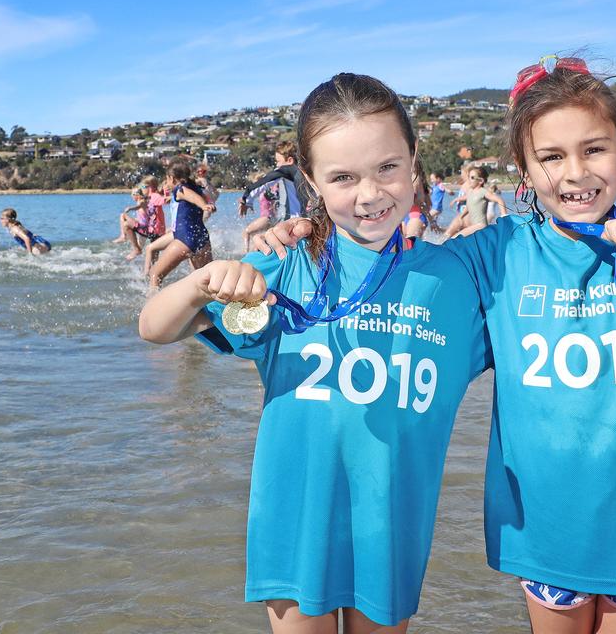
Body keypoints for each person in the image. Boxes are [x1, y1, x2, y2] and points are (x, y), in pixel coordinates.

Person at [254, 55, 616, 634]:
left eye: (595, 149)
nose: (576, 173)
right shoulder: (499, 252)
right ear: (524, 166)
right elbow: (406, 274)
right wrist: (305, 240)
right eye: (552, 157)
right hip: (546, 525)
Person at [139, 72, 489, 633]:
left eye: (388, 168)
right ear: (311, 180)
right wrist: (203, 282)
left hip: (390, 527)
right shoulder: (287, 266)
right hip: (295, 522)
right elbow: (155, 328)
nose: (370, 194)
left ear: (415, 158)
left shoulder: (458, 281)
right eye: (343, 177)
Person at [148, 161, 216, 288]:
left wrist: (204, 206)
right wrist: (209, 204)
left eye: (167, 179)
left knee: (155, 274)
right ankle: (212, 306)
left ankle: (151, 304)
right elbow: (203, 197)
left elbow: (193, 198)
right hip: (202, 238)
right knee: (205, 280)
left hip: (185, 239)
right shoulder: (196, 187)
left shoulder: (180, 189)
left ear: (172, 178)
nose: (167, 183)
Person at [238, 140, 310, 222]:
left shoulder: (286, 170)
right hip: (307, 220)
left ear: (290, 160)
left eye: (278, 161)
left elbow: (264, 182)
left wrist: (246, 199)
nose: (277, 165)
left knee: (259, 235)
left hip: (293, 222)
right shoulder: (306, 171)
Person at [444, 166, 507, 239]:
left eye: (472, 177)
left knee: (455, 238)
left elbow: (499, 200)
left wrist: (504, 216)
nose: (469, 180)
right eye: (469, 177)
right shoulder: (470, 191)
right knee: (452, 237)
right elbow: (468, 207)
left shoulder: (483, 192)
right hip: (474, 225)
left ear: (480, 181)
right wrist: (461, 217)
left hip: (481, 225)